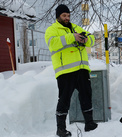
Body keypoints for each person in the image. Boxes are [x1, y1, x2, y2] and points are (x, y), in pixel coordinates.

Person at [44, 4, 97, 137]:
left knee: (86, 95)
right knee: (64, 99)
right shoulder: (52, 29)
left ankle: (89, 123)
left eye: (68, 15)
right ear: (58, 16)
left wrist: (85, 39)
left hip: (82, 68)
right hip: (65, 71)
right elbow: (52, 44)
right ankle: (60, 129)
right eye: (64, 15)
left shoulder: (76, 27)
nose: (67, 18)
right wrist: (72, 37)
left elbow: (92, 39)